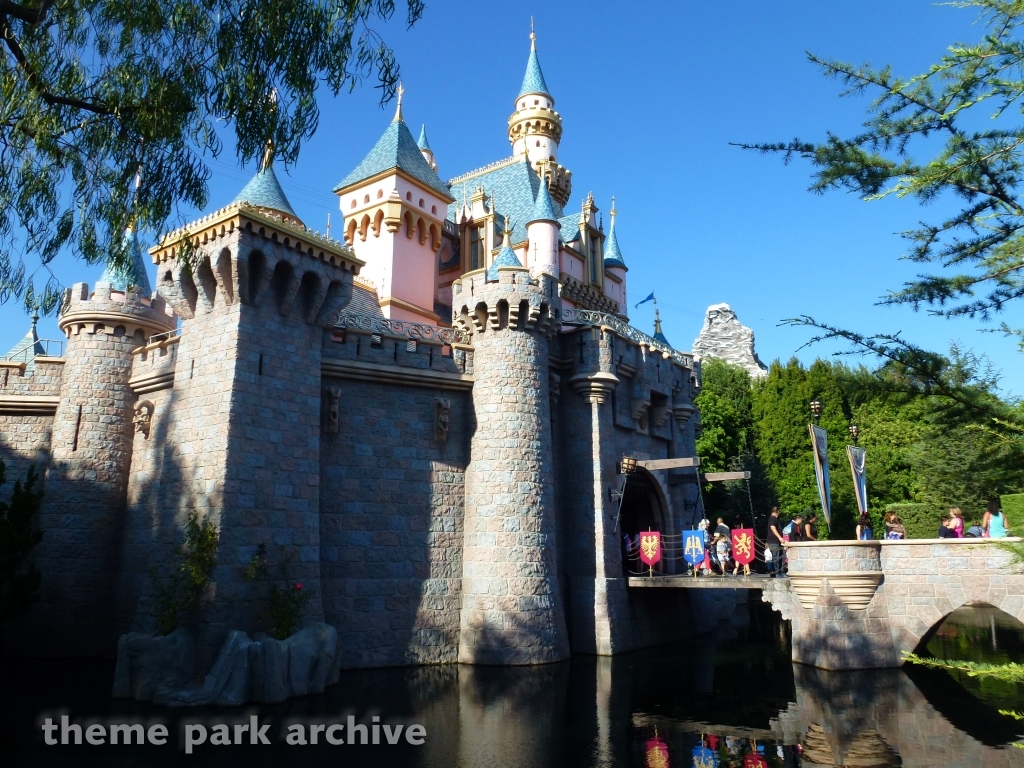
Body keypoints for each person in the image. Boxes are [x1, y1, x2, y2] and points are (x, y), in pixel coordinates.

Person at [766, 506, 784, 577]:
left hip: (776, 541)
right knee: (776, 557)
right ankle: (777, 573)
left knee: (780, 556)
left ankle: (780, 572)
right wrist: (780, 537)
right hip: (773, 541)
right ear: (778, 511)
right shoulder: (772, 518)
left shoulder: (773, 519)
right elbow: (772, 528)